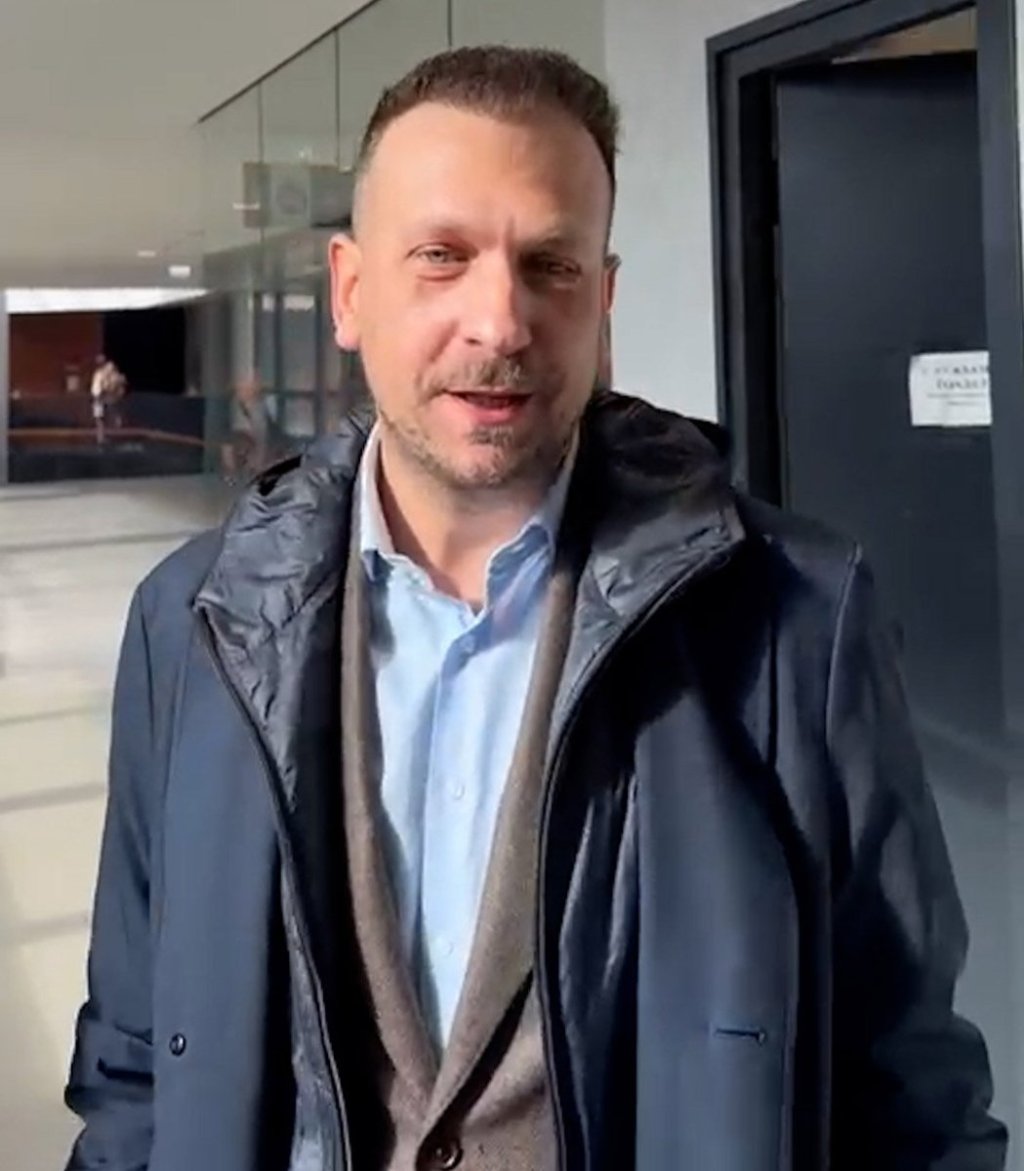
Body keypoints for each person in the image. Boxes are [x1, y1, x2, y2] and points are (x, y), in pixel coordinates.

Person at [64, 47, 1006, 1171]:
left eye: (550, 264)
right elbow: (136, 1064)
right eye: (442, 256)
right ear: (350, 291)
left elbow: (910, 1090)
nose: (500, 321)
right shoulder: (194, 622)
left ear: (602, 299)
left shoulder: (795, 620)